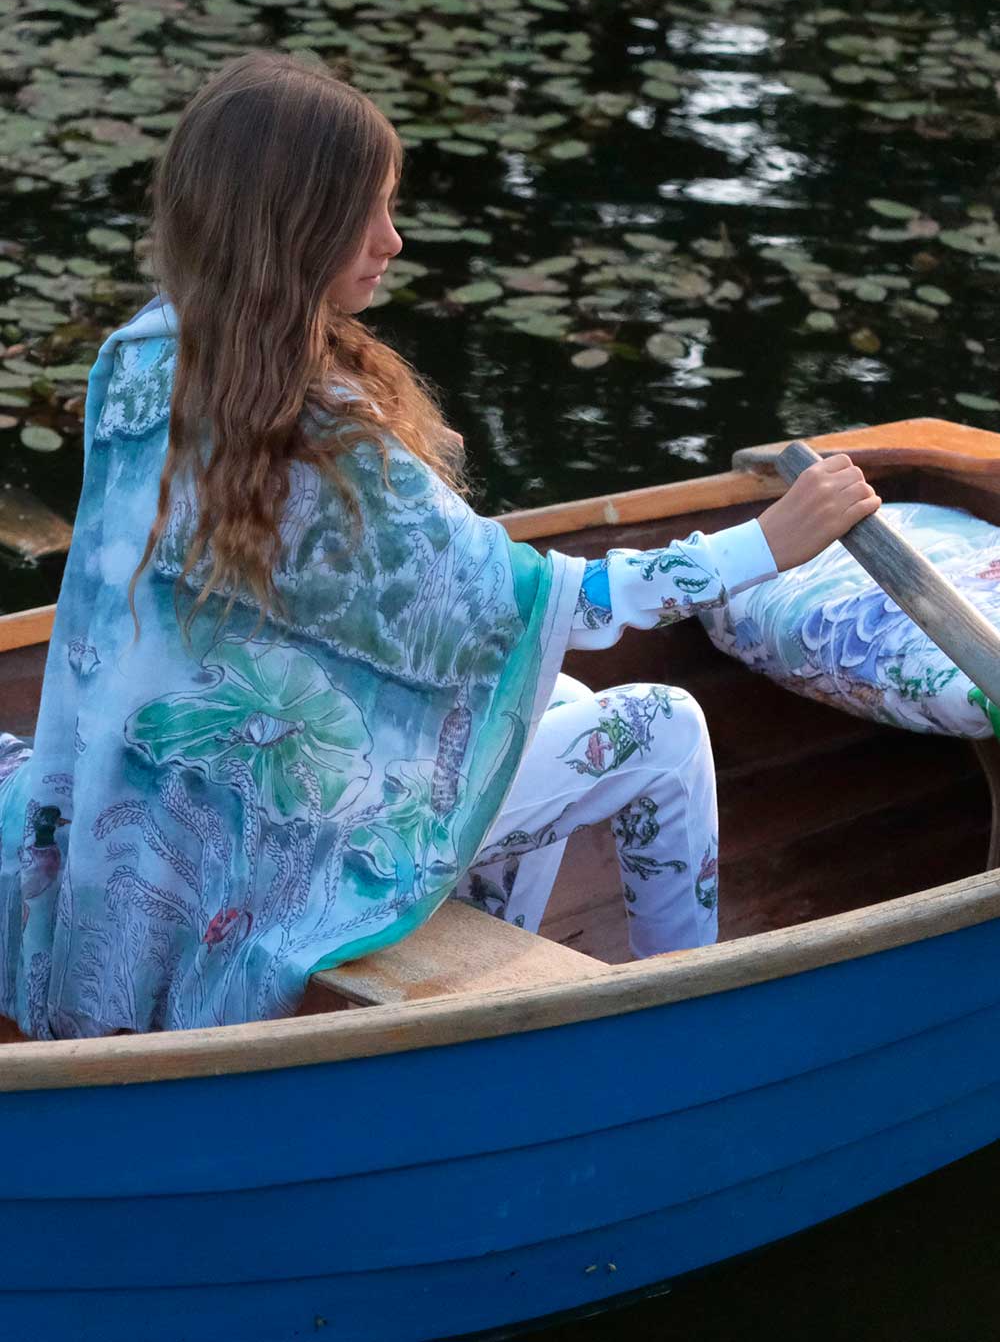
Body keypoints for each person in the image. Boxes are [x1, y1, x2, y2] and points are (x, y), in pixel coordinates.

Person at [0, 50, 880, 1039]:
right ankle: (691, 1027)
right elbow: (557, 603)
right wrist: (764, 544)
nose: (392, 238)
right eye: (365, 213)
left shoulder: (141, 358)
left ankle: (494, 984)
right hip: (273, 853)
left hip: (138, 811)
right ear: (293, 227)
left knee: (550, 696)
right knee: (662, 726)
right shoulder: (324, 435)